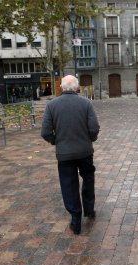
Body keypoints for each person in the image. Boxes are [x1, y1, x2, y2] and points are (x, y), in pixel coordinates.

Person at [41, 75, 100, 235]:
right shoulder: (86, 103)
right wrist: (90, 140)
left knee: (69, 184)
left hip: (64, 153)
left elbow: (45, 132)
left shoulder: (52, 105)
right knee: (88, 178)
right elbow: (94, 128)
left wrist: (56, 141)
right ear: (77, 88)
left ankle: (76, 219)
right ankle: (89, 209)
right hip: (85, 151)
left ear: (61, 87)